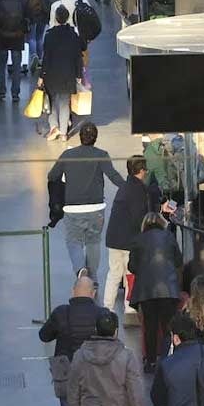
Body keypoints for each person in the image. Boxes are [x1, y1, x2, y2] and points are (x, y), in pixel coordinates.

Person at [40, 272, 113, 406]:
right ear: (93, 293)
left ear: (73, 291)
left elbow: (44, 335)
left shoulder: (61, 313)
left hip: (67, 379)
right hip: (95, 381)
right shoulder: (102, 314)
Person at [47, 122, 125, 278]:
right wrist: (129, 187)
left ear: (80, 137)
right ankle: (92, 279)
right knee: (93, 242)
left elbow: (52, 176)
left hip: (72, 209)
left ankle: (80, 269)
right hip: (96, 209)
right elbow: (113, 176)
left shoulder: (67, 155)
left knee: (74, 241)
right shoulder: (101, 154)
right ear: (95, 138)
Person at [103, 156, 165, 314]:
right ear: (142, 171)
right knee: (130, 274)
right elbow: (140, 217)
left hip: (113, 239)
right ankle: (130, 309)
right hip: (129, 241)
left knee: (114, 274)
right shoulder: (139, 190)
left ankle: (107, 308)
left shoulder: (124, 187)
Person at [128, 212, 182, 370]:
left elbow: (132, 266)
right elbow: (178, 260)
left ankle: (150, 361)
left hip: (146, 291)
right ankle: (169, 358)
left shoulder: (138, 239)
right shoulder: (169, 237)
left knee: (150, 327)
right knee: (168, 327)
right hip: (169, 289)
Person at [39, 6, 85, 141]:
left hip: (52, 74)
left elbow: (46, 57)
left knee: (51, 102)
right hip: (68, 73)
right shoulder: (73, 35)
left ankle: (54, 127)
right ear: (67, 18)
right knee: (65, 103)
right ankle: (64, 133)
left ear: (56, 18)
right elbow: (78, 56)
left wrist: (41, 76)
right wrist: (79, 75)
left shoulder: (49, 35)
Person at [19, 0, 56, 68]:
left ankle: (33, 56)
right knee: (40, 36)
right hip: (43, 12)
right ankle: (40, 58)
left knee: (31, 37)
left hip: (30, 13)